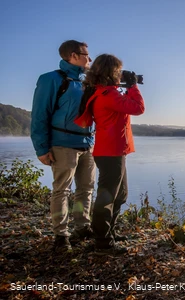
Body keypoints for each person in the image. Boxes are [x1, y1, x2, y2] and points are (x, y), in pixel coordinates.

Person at [75, 54, 145, 255]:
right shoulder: (108, 94)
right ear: (110, 72)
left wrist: (126, 86)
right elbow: (138, 108)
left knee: (120, 195)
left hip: (112, 151)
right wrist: (133, 86)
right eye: (118, 71)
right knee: (107, 197)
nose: (120, 74)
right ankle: (103, 242)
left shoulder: (103, 91)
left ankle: (108, 233)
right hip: (110, 152)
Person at [30, 40, 95, 252]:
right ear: (73, 56)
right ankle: (61, 235)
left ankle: (83, 227)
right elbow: (40, 116)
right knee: (62, 190)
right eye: (86, 54)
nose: (90, 58)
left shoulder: (88, 81)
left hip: (87, 144)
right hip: (62, 145)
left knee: (86, 189)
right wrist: (41, 148)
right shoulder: (51, 79)